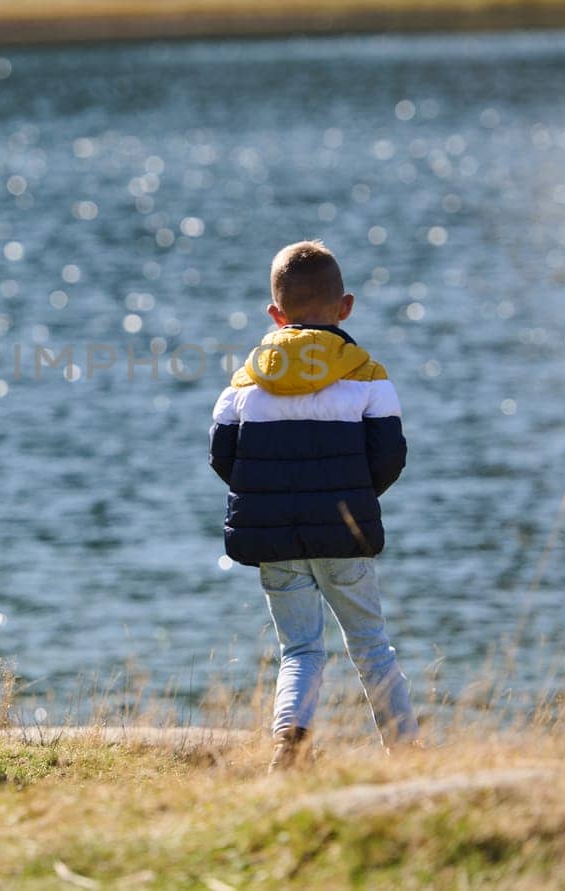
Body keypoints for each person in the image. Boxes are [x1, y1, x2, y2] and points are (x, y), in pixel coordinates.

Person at [209, 239, 418, 769]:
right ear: (345, 307)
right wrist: (350, 496)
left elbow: (222, 455)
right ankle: (407, 752)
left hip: (277, 536)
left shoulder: (245, 381)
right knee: (371, 645)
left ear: (275, 314)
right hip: (344, 536)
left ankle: (289, 741)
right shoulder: (368, 375)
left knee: (300, 649)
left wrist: (273, 496)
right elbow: (389, 456)